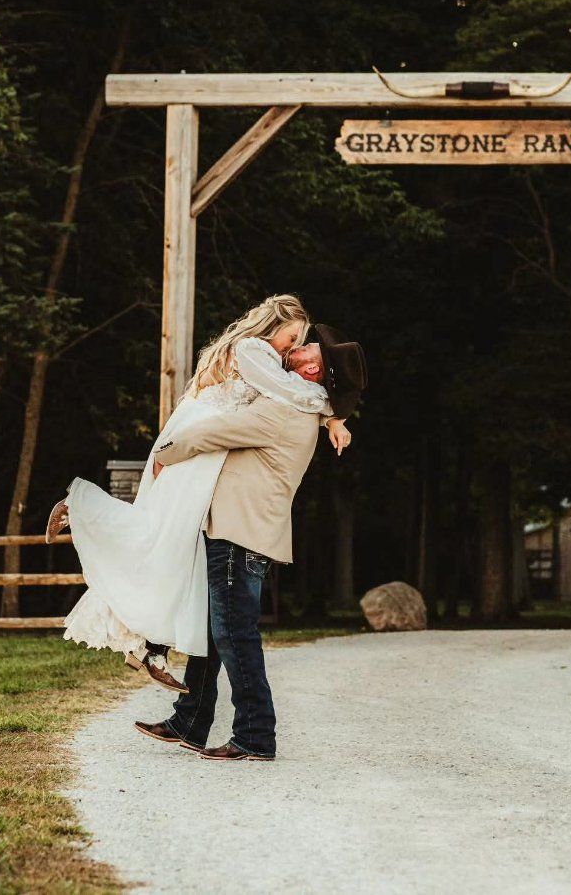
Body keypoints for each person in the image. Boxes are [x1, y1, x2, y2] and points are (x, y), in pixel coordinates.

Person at [45, 295, 351, 693]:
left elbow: (292, 389)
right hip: (197, 443)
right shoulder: (252, 349)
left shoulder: (268, 358)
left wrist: (331, 415)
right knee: (163, 532)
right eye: (292, 337)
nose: (293, 348)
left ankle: (151, 645)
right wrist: (333, 413)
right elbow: (291, 393)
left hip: (208, 449)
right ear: (272, 325)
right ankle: (81, 504)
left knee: (174, 541)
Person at [134, 323, 368, 761]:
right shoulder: (301, 406)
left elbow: (214, 431)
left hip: (240, 533)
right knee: (213, 630)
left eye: (305, 347)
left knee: (234, 634)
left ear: (313, 367)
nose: (295, 348)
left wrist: (164, 453)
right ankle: (191, 718)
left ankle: (255, 734)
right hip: (245, 531)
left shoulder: (283, 412)